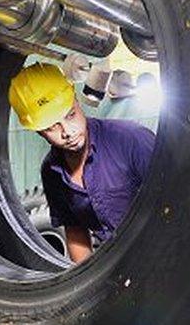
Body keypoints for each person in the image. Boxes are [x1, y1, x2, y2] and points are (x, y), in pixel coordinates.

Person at [9, 63, 155, 263]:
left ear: (76, 100)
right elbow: (75, 229)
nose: (67, 132)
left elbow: (175, 198)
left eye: (70, 115)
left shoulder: (131, 139)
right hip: (121, 267)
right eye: (52, 127)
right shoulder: (51, 172)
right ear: (39, 131)